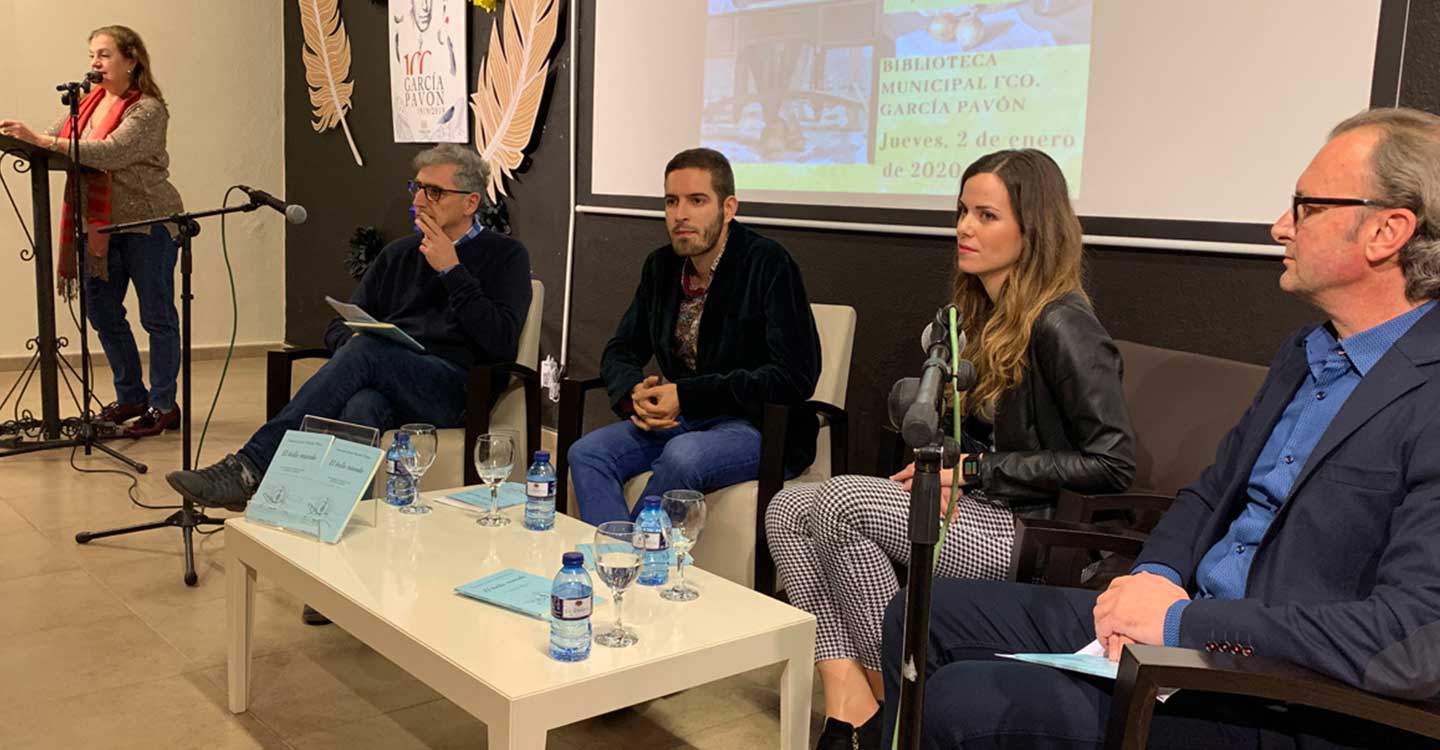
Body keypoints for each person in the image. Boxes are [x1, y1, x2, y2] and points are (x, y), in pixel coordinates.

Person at [881, 107, 1440, 749]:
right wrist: (1156, 576)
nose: (1279, 226)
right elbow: (1209, 492)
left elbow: (1408, 643)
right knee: (922, 615)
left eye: (1305, 207)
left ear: (1387, 231)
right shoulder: (1305, 352)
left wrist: (1182, 624)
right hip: (1192, 635)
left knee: (968, 701)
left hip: (1288, 693)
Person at [765, 149, 1135, 749]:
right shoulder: (974, 317)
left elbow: (1113, 462)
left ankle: (904, 699)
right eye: (962, 211)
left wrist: (977, 470)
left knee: (837, 507)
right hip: (978, 504)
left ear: (1032, 229)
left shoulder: (1064, 324)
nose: (964, 227)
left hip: (1030, 532)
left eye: (986, 215)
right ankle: (854, 704)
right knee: (788, 509)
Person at [166, 144, 532, 511]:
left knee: (368, 352)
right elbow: (341, 324)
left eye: (434, 192)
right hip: (388, 378)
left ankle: (251, 467)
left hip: (455, 388)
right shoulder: (399, 254)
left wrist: (452, 271)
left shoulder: (505, 255)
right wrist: (356, 351)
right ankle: (330, 518)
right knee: (362, 404)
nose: (420, 199)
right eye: (416, 187)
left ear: (470, 203)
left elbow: (500, 341)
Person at [567, 147, 821, 525]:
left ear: (728, 207)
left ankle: (631, 559)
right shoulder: (662, 266)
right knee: (586, 452)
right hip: (686, 418)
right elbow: (621, 349)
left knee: (683, 456)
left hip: (757, 425)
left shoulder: (767, 263)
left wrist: (686, 395)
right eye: (671, 201)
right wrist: (634, 394)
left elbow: (795, 375)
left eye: (697, 201)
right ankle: (615, 555)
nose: (680, 215)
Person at [1, 25, 184, 437]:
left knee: (157, 317)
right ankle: (131, 396)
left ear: (131, 60)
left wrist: (43, 139)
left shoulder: (148, 109)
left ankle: (163, 405)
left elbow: (113, 152)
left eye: (103, 55)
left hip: (145, 222)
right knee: (100, 310)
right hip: (100, 225)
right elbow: (54, 142)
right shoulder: (85, 104)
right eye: (91, 56)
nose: (94, 64)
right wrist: (23, 140)